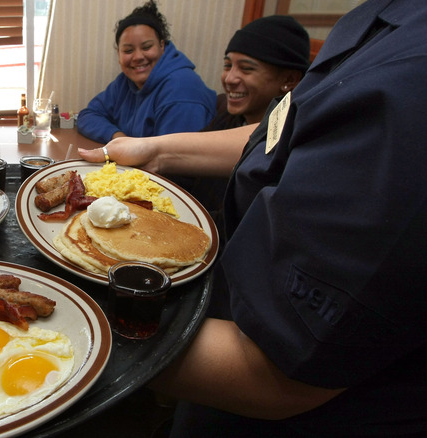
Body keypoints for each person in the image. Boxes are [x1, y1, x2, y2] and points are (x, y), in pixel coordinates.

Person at [81, 0, 427, 435]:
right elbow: (291, 128)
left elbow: (276, 371)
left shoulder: (414, 79)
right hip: (225, 331)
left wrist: (75, 314)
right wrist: (157, 148)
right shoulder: (376, 20)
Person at [189, 15, 311, 223]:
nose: (229, 79)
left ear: (289, 80)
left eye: (246, 69)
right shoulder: (227, 118)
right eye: (228, 66)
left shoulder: (289, 149)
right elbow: (186, 169)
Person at [75, 0, 216, 144]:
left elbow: (173, 160)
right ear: (118, 54)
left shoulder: (183, 89)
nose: (137, 57)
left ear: (162, 45)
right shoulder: (125, 82)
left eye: (147, 47)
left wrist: (130, 148)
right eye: (128, 50)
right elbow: (88, 115)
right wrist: (120, 138)